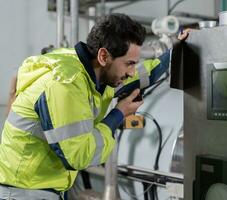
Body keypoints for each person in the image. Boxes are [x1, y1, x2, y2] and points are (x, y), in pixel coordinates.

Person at [0, 13, 190, 200]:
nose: (132, 72)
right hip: (24, 192)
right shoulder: (66, 84)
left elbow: (144, 73)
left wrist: (176, 50)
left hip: (41, 187)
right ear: (103, 56)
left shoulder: (96, 74)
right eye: (129, 64)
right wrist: (118, 114)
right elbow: (79, 156)